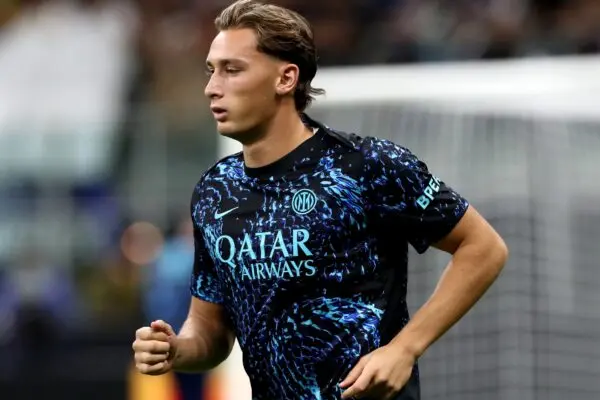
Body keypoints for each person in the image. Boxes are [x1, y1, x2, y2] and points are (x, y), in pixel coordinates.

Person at [132, 1, 509, 399]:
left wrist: (405, 348)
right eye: (212, 70)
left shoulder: (367, 165)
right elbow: (210, 330)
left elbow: (483, 247)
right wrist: (177, 349)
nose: (212, 87)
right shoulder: (215, 191)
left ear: (286, 78)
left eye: (232, 69)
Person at [141, 215, 207, 400]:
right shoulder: (191, 257)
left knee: (178, 381)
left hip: (167, 329)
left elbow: (150, 296)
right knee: (194, 384)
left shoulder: (162, 256)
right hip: (190, 331)